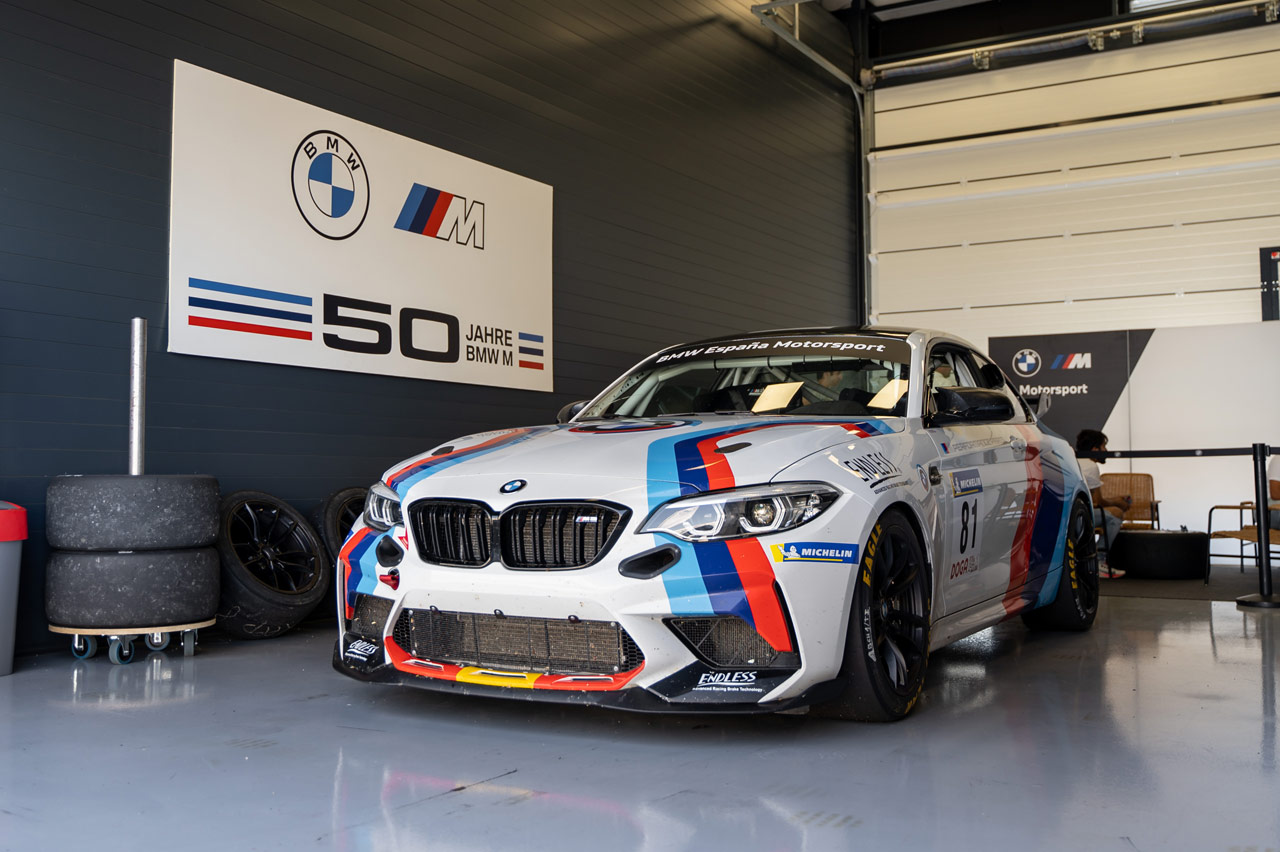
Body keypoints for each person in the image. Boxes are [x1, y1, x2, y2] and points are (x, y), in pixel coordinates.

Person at [1076, 429, 1131, 579]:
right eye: (1103, 447)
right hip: (1079, 517)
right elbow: (1098, 502)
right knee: (1116, 514)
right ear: (1095, 449)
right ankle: (1099, 560)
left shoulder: (1076, 461)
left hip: (1071, 514)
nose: (1106, 451)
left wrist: (1116, 501)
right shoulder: (1091, 466)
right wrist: (1118, 503)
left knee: (1113, 510)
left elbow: (1096, 500)